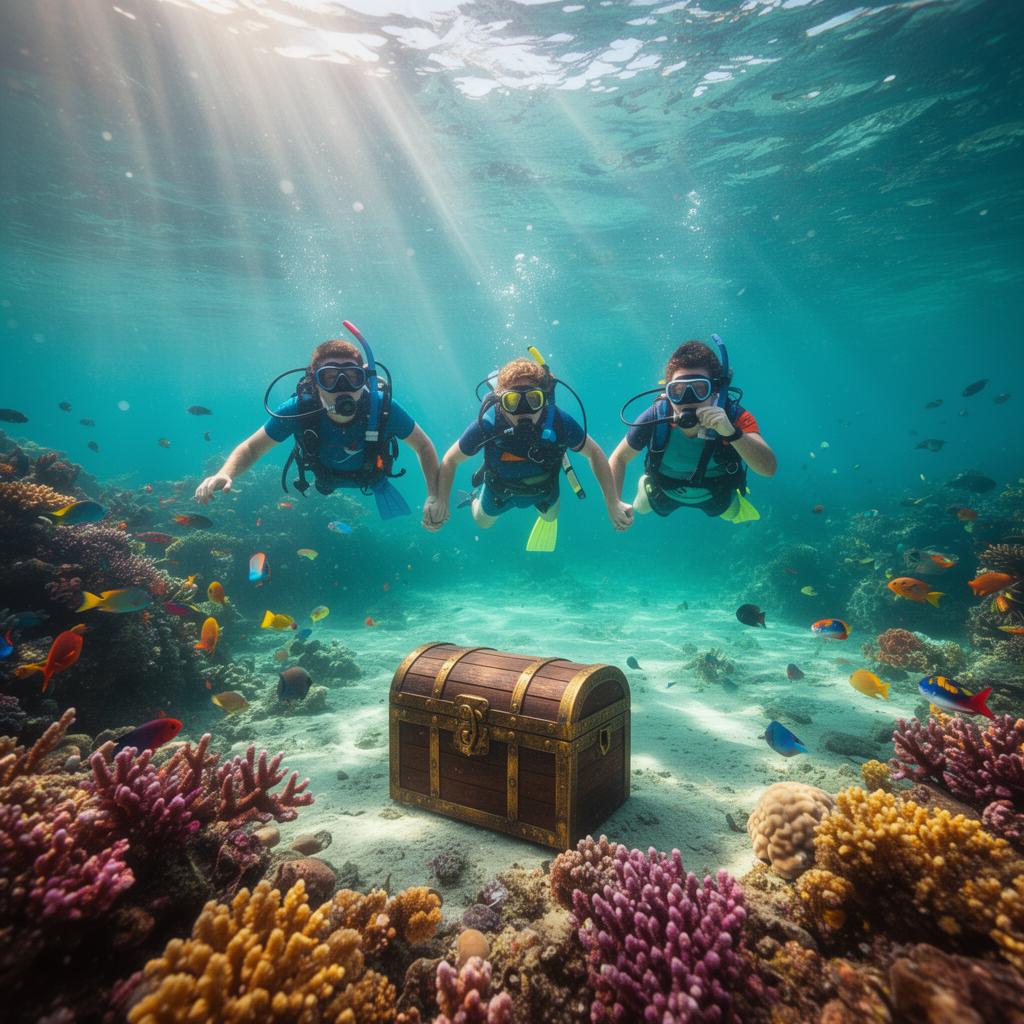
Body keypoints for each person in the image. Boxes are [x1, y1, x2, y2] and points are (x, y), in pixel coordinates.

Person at [195, 328, 445, 529]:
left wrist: (434, 494)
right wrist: (225, 473)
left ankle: (377, 486)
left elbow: (423, 446)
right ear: (314, 382)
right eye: (329, 378)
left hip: (373, 475)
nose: (342, 387)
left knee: (374, 481)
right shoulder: (298, 409)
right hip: (324, 478)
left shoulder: (382, 407)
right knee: (325, 486)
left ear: (365, 379)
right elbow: (251, 448)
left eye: (352, 377)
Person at [432, 351, 632, 551]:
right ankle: (474, 497)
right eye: (512, 401)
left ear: (544, 399)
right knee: (482, 523)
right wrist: (441, 499)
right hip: (498, 489)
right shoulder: (488, 424)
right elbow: (450, 460)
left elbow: (594, 453)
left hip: (544, 488)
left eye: (533, 399)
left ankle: (543, 503)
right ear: (500, 402)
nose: (523, 410)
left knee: (551, 517)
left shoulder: (559, 422)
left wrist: (613, 502)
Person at [609, 338, 776, 521]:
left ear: (715, 390)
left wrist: (732, 433)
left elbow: (768, 469)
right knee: (640, 508)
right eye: (678, 390)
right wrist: (613, 502)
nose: (688, 399)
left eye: (699, 389)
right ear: (667, 393)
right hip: (663, 490)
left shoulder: (734, 417)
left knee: (732, 513)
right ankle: (644, 484)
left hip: (717, 492)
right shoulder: (655, 418)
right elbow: (618, 457)